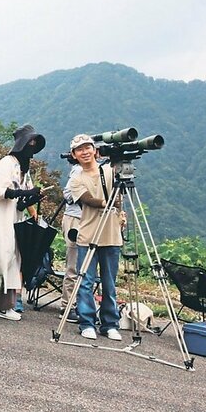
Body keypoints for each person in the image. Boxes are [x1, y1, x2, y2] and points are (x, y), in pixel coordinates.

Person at [0, 124, 45, 320]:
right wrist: (23, 193)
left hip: (13, 218)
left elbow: (21, 201)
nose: (31, 148)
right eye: (29, 143)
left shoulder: (24, 169)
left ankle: (6, 305)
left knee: (11, 258)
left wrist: (33, 197)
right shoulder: (7, 163)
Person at [69, 133, 123, 341]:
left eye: (87, 147)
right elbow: (89, 200)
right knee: (86, 281)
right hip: (89, 235)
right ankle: (87, 322)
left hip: (112, 235)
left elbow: (120, 197)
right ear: (74, 155)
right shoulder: (76, 179)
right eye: (79, 149)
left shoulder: (110, 170)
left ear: (95, 150)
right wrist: (109, 203)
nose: (85, 152)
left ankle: (110, 324)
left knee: (110, 283)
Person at [60, 160, 83, 323]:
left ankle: (83, 305)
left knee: (87, 267)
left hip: (92, 220)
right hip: (75, 218)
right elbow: (67, 195)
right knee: (73, 265)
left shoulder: (103, 170)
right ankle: (67, 306)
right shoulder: (79, 170)